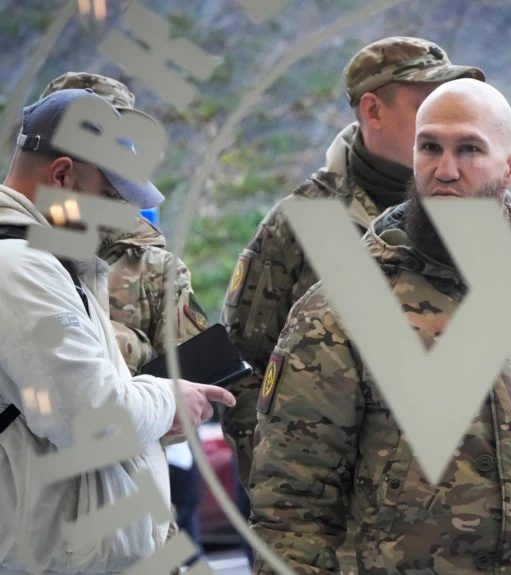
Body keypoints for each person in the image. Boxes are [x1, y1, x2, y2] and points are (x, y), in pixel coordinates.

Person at [247, 78, 511, 574]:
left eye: (469, 149)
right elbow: (292, 510)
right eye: (429, 147)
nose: (445, 170)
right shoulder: (338, 313)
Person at [221, 36, 484, 488]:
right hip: (337, 503)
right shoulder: (301, 224)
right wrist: (281, 482)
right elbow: (241, 368)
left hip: (465, 500)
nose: (442, 116)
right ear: (373, 111)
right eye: (425, 103)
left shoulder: (481, 207)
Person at [0, 89, 234, 573]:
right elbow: (93, 419)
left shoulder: (41, 260)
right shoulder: (20, 267)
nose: (117, 218)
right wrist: (168, 397)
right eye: (108, 197)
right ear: (62, 175)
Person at [39, 72, 210, 547]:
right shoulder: (14, 252)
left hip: (136, 508)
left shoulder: (152, 267)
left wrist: (122, 359)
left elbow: (195, 393)